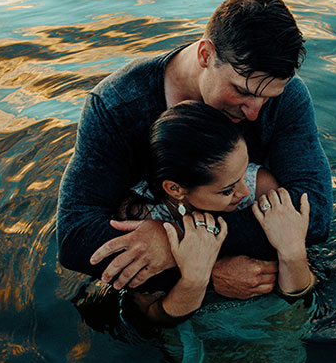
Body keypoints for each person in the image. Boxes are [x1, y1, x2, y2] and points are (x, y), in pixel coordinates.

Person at [56, 0, 331, 299]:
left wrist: (174, 241)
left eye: (269, 96)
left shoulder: (288, 97)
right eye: (242, 91)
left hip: (267, 278)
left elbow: (315, 215)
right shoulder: (116, 106)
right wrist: (203, 272)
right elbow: (75, 237)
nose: (255, 112)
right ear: (206, 54)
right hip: (162, 293)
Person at [116, 101, 316, 323]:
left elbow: (298, 297)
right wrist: (195, 279)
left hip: (271, 314)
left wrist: (293, 253)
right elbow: (149, 317)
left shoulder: (260, 187)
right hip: (193, 324)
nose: (245, 190)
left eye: (244, 171)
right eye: (228, 189)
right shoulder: (140, 213)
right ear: (175, 189)